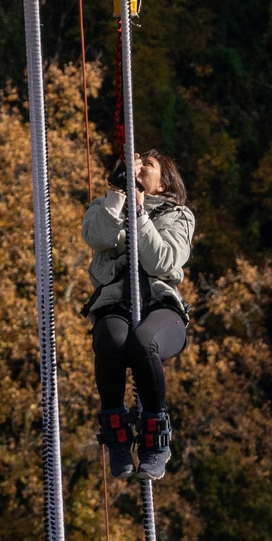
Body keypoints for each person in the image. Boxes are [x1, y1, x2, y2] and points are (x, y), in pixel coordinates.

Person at [83, 149, 195, 481]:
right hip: (116, 303)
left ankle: (155, 435)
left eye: (148, 164)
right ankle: (116, 432)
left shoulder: (179, 216)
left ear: (163, 184)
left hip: (161, 307)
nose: (140, 167)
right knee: (112, 340)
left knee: (144, 342)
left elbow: (162, 261)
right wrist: (118, 194)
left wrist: (140, 213)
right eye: (137, 163)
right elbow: (98, 237)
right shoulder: (104, 206)